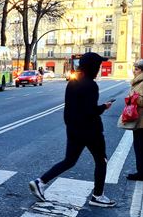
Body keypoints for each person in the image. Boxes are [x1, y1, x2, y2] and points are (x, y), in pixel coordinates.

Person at [29, 52, 116, 207]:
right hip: (91, 131)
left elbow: (71, 108)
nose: (100, 68)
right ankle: (97, 196)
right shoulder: (91, 85)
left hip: (74, 129)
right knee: (101, 160)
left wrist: (71, 125)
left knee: (69, 161)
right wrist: (104, 106)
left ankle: (40, 182)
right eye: (98, 65)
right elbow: (90, 111)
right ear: (93, 67)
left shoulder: (73, 82)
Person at [126, 59, 143, 181]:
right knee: (138, 146)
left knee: (140, 147)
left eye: (136, 69)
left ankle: (141, 173)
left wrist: (134, 98)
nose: (134, 71)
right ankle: (140, 171)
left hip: (142, 121)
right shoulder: (138, 82)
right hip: (138, 119)